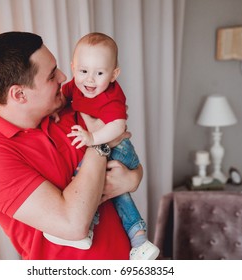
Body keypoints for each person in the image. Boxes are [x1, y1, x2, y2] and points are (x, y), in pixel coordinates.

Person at [0, 31, 144, 260]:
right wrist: (99, 144)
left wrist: (133, 178)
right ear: (19, 94)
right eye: (51, 76)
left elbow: (126, 154)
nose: (63, 77)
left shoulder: (70, 108)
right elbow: (73, 225)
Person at [44, 32, 159, 260]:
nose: (90, 80)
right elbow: (65, 97)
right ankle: (139, 239)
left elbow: (118, 126)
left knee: (84, 178)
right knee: (116, 195)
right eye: (83, 71)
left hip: (122, 149)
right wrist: (57, 110)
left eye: (100, 73)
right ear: (74, 67)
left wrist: (92, 139)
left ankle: (87, 228)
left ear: (114, 74)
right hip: (110, 147)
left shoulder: (111, 96)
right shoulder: (75, 87)